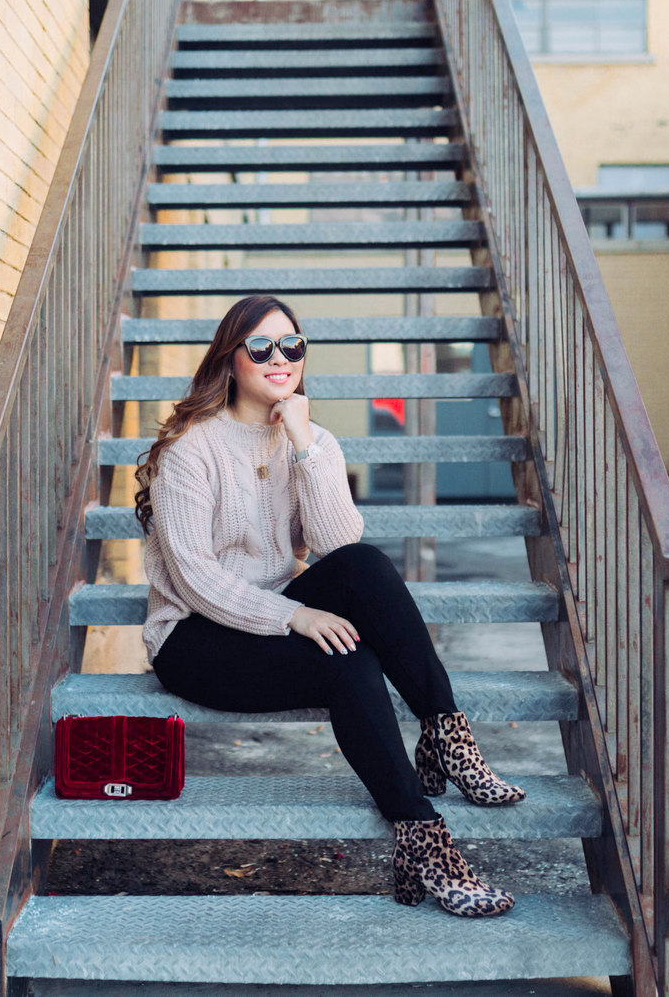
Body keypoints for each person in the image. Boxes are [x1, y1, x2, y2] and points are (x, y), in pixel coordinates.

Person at [133, 294, 526, 918]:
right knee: (350, 663)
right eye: (261, 348)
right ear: (230, 360)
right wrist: (295, 615)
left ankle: (445, 733)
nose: (280, 358)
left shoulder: (311, 439)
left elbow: (341, 549)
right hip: (194, 636)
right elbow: (194, 578)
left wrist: (303, 445)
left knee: (365, 569)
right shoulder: (190, 449)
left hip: (270, 606)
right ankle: (423, 835)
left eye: (293, 345)